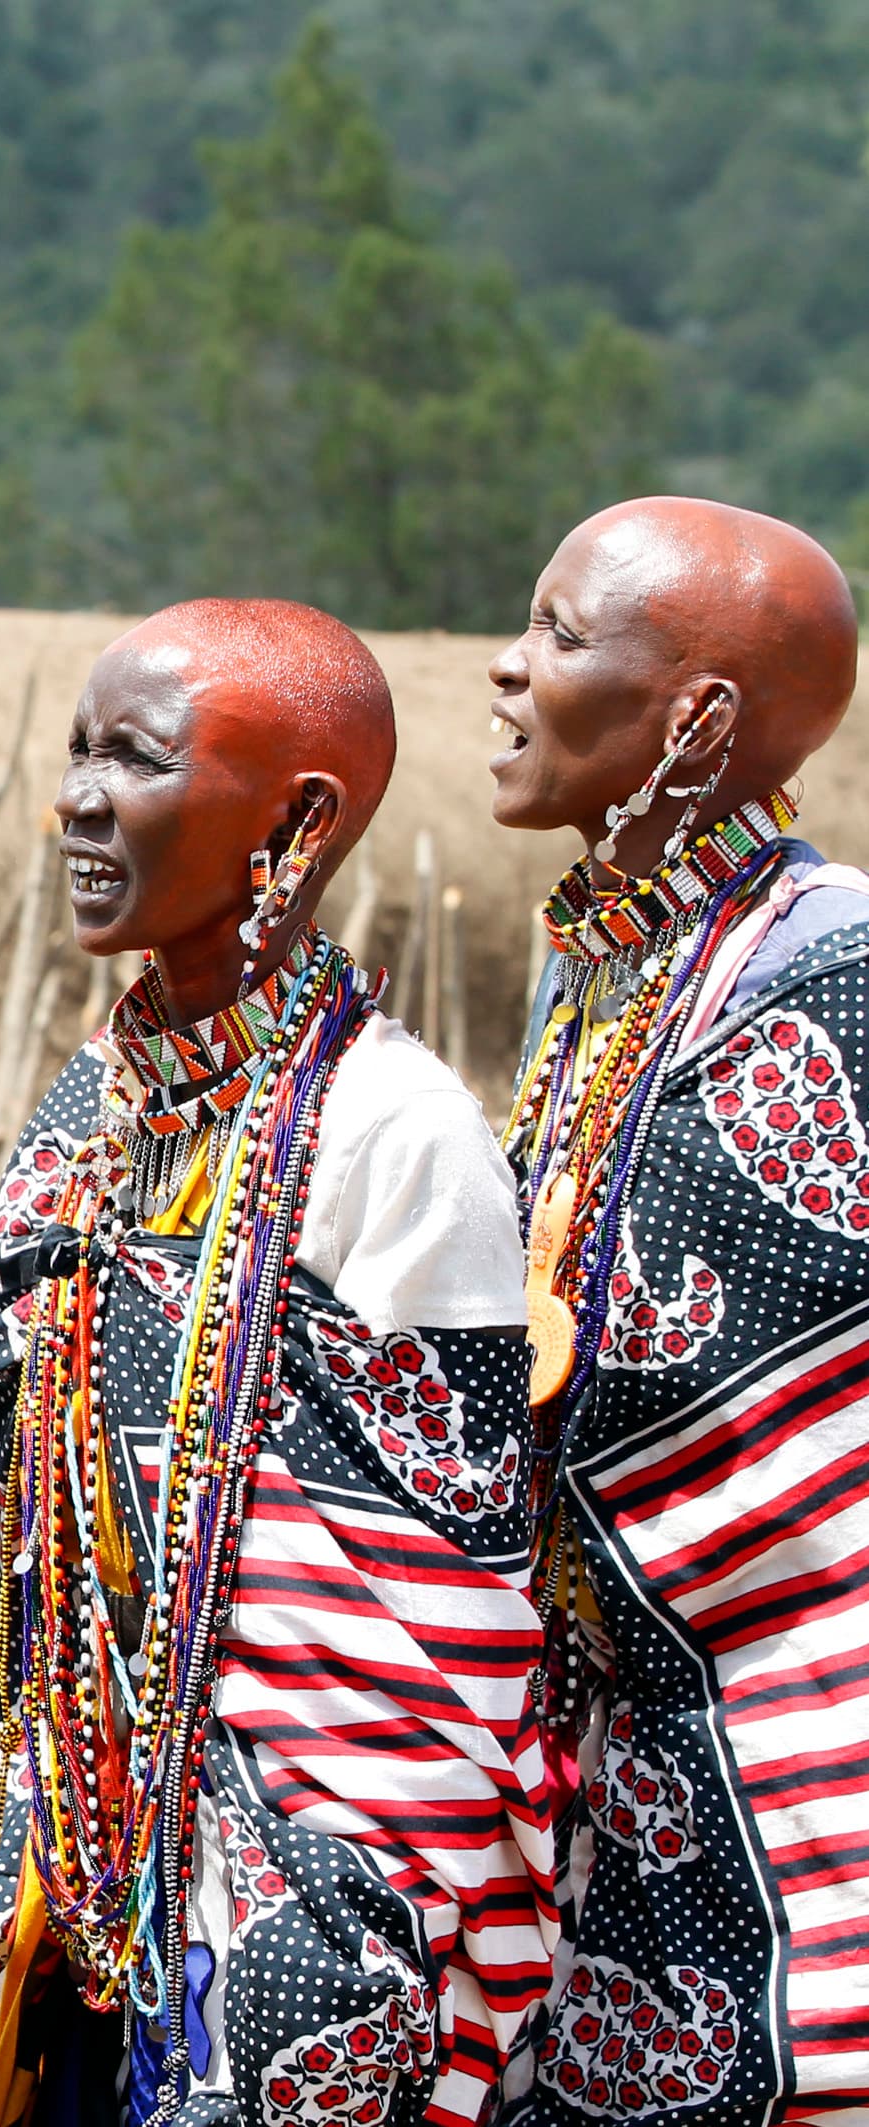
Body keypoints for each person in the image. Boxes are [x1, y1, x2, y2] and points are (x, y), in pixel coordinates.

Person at [0, 600, 550, 2127]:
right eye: (75, 752)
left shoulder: (393, 1132)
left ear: (300, 818)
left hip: (289, 1920)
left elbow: (439, 1595)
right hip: (58, 1878)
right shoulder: (93, 1105)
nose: (76, 797)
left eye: (130, 759)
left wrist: (317, 1938)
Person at [487, 498, 869, 2122]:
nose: (505, 668)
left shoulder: (827, 971)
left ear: (699, 719)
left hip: (800, 1786)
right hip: (634, 1785)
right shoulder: (615, 964)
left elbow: (675, 1397)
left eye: (563, 637)